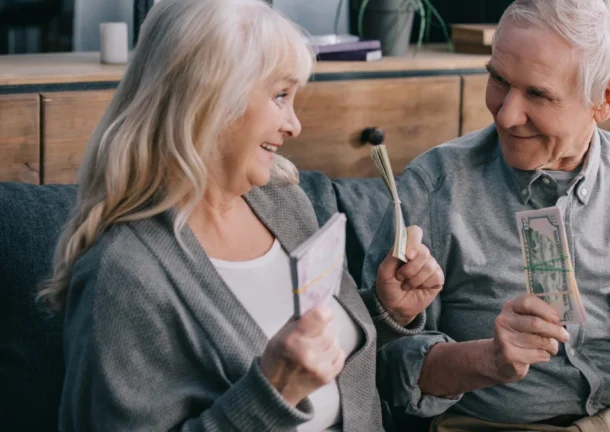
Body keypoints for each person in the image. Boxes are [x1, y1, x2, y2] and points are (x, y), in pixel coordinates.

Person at [37, 1, 444, 430]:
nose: (295, 125)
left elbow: (332, 361)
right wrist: (272, 393)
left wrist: (385, 312)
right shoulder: (122, 273)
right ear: (210, 100)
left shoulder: (282, 200)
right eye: (280, 95)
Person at [362, 1, 610, 431]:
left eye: (537, 94)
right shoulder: (435, 188)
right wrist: (490, 360)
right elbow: (379, 367)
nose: (505, 114)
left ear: (606, 98)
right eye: (498, 80)